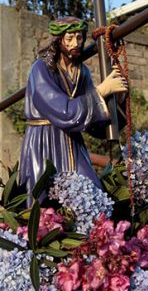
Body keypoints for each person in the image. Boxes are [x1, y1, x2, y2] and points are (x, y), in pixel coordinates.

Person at [18, 17, 128, 203]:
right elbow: (63, 111)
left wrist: (114, 102)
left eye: (79, 37)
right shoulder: (41, 69)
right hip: (44, 142)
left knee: (94, 197)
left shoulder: (81, 72)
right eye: (69, 38)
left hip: (73, 144)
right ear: (58, 39)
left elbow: (92, 118)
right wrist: (101, 91)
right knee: (43, 202)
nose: (75, 43)